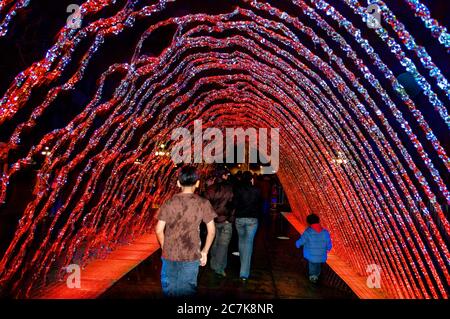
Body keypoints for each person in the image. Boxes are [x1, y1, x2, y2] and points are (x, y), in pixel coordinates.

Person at [155, 166, 216, 297]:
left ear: (178, 183)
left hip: (169, 255)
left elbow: (159, 229)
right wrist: (204, 252)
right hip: (191, 255)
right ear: (198, 183)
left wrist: (164, 246)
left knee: (169, 290)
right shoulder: (203, 203)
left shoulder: (169, 202)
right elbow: (211, 231)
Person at [204, 167, 234, 277]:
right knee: (223, 245)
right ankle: (219, 268)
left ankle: (214, 264)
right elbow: (233, 205)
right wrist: (230, 219)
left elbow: (205, 206)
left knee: (214, 243)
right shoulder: (230, 188)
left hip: (212, 221)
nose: (227, 177)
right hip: (226, 220)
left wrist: (208, 219)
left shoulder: (210, 189)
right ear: (223, 176)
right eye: (227, 175)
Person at [233, 171, 262, 281]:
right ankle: (244, 273)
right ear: (251, 179)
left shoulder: (238, 190)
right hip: (252, 220)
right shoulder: (257, 190)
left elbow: (235, 204)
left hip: (240, 219)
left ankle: (242, 262)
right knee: (248, 243)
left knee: (241, 241)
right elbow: (260, 204)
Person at [295, 213, 332, 283]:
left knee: (312, 264)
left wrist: (297, 244)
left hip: (311, 255)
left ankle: (313, 276)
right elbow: (328, 243)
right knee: (318, 264)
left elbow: (302, 240)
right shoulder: (325, 232)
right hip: (321, 255)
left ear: (309, 222)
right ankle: (317, 275)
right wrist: (328, 248)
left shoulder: (308, 232)